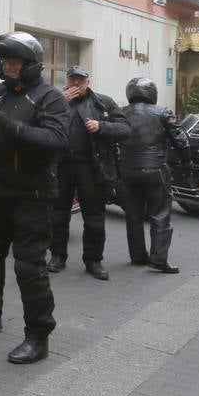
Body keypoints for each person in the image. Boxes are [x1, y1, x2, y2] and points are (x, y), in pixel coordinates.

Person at [0, 32, 70, 365]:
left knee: (29, 268)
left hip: (33, 195)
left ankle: (38, 337)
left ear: (31, 64)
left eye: (15, 62)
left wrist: (7, 126)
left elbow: (56, 139)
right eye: (5, 61)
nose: (9, 67)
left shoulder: (50, 97)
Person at [49, 66, 129, 279]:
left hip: (92, 168)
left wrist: (102, 126)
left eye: (80, 80)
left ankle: (93, 260)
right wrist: (59, 101)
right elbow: (39, 123)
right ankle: (57, 256)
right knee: (57, 215)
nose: (76, 84)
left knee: (94, 217)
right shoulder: (55, 100)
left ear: (88, 82)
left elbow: (125, 129)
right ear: (66, 81)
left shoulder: (103, 102)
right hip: (62, 166)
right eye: (73, 80)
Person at [118, 78, 188, 273]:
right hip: (155, 169)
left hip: (127, 169)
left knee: (133, 215)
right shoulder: (162, 112)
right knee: (160, 214)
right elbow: (181, 140)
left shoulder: (121, 113)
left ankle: (138, 256)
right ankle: (158, 258)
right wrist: (187, 162)